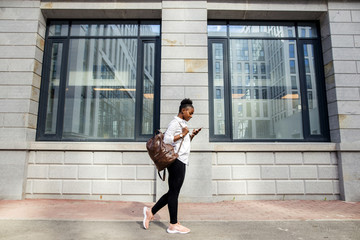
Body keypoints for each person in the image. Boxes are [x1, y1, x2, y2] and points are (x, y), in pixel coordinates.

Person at [142, 98, 202, 234]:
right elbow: (167, 139)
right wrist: (183, 134)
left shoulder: (182, 124)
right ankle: (173, 224)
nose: (191, 116)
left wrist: (190, 136)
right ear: (183, 110)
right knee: (174, 193)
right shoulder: (175, 123)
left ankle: (150, 211)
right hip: (176, 161)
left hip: (181, 160)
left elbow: (181, 143)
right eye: (190, 113)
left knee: (173, 193)